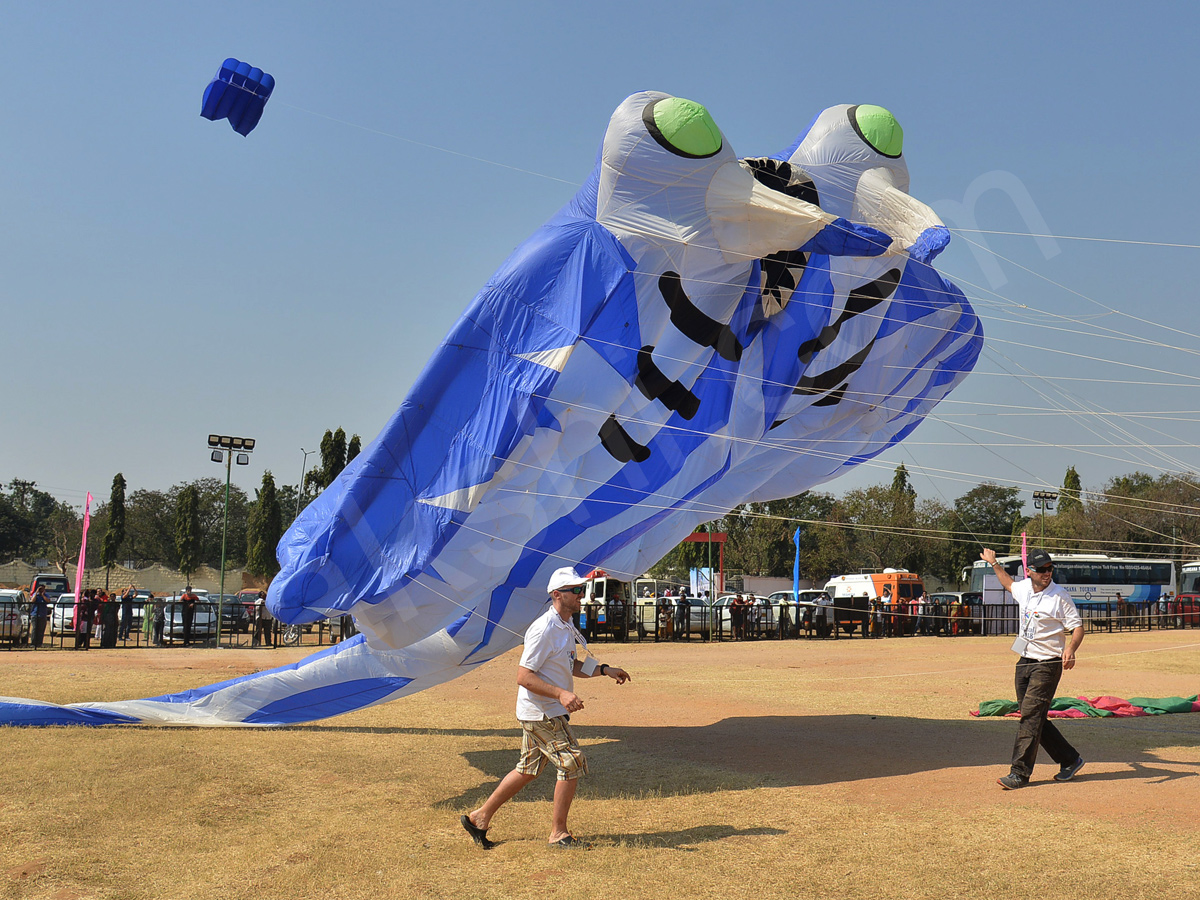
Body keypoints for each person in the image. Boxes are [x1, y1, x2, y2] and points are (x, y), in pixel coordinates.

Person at [461, 567, 631, 849]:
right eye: (575, 591)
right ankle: (558, 833)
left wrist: (604, 669)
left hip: (544, 710)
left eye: (582, 589)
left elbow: (570, 665)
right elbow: (524, 676)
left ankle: (480, 817)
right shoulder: (544, 629)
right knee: (572, 762)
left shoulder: (565, 626)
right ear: (556, 595)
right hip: (542, 711)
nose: (581, 595)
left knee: (527, 769)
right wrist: (562, 694)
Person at [981, 547, 1086, 790]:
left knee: (1030, 716)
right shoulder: (1024, 588)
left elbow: (1077, 627)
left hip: (1047, 664)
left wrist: (1071, 648)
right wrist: (994, 563)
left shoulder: (1060, 596)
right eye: (1041, 570)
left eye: (1050, 569)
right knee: (1032, 715)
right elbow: (1008, 583)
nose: (1047, 573)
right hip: (1025, 660)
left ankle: (1019, 773)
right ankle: (1070, 759)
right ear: (1029, 572)